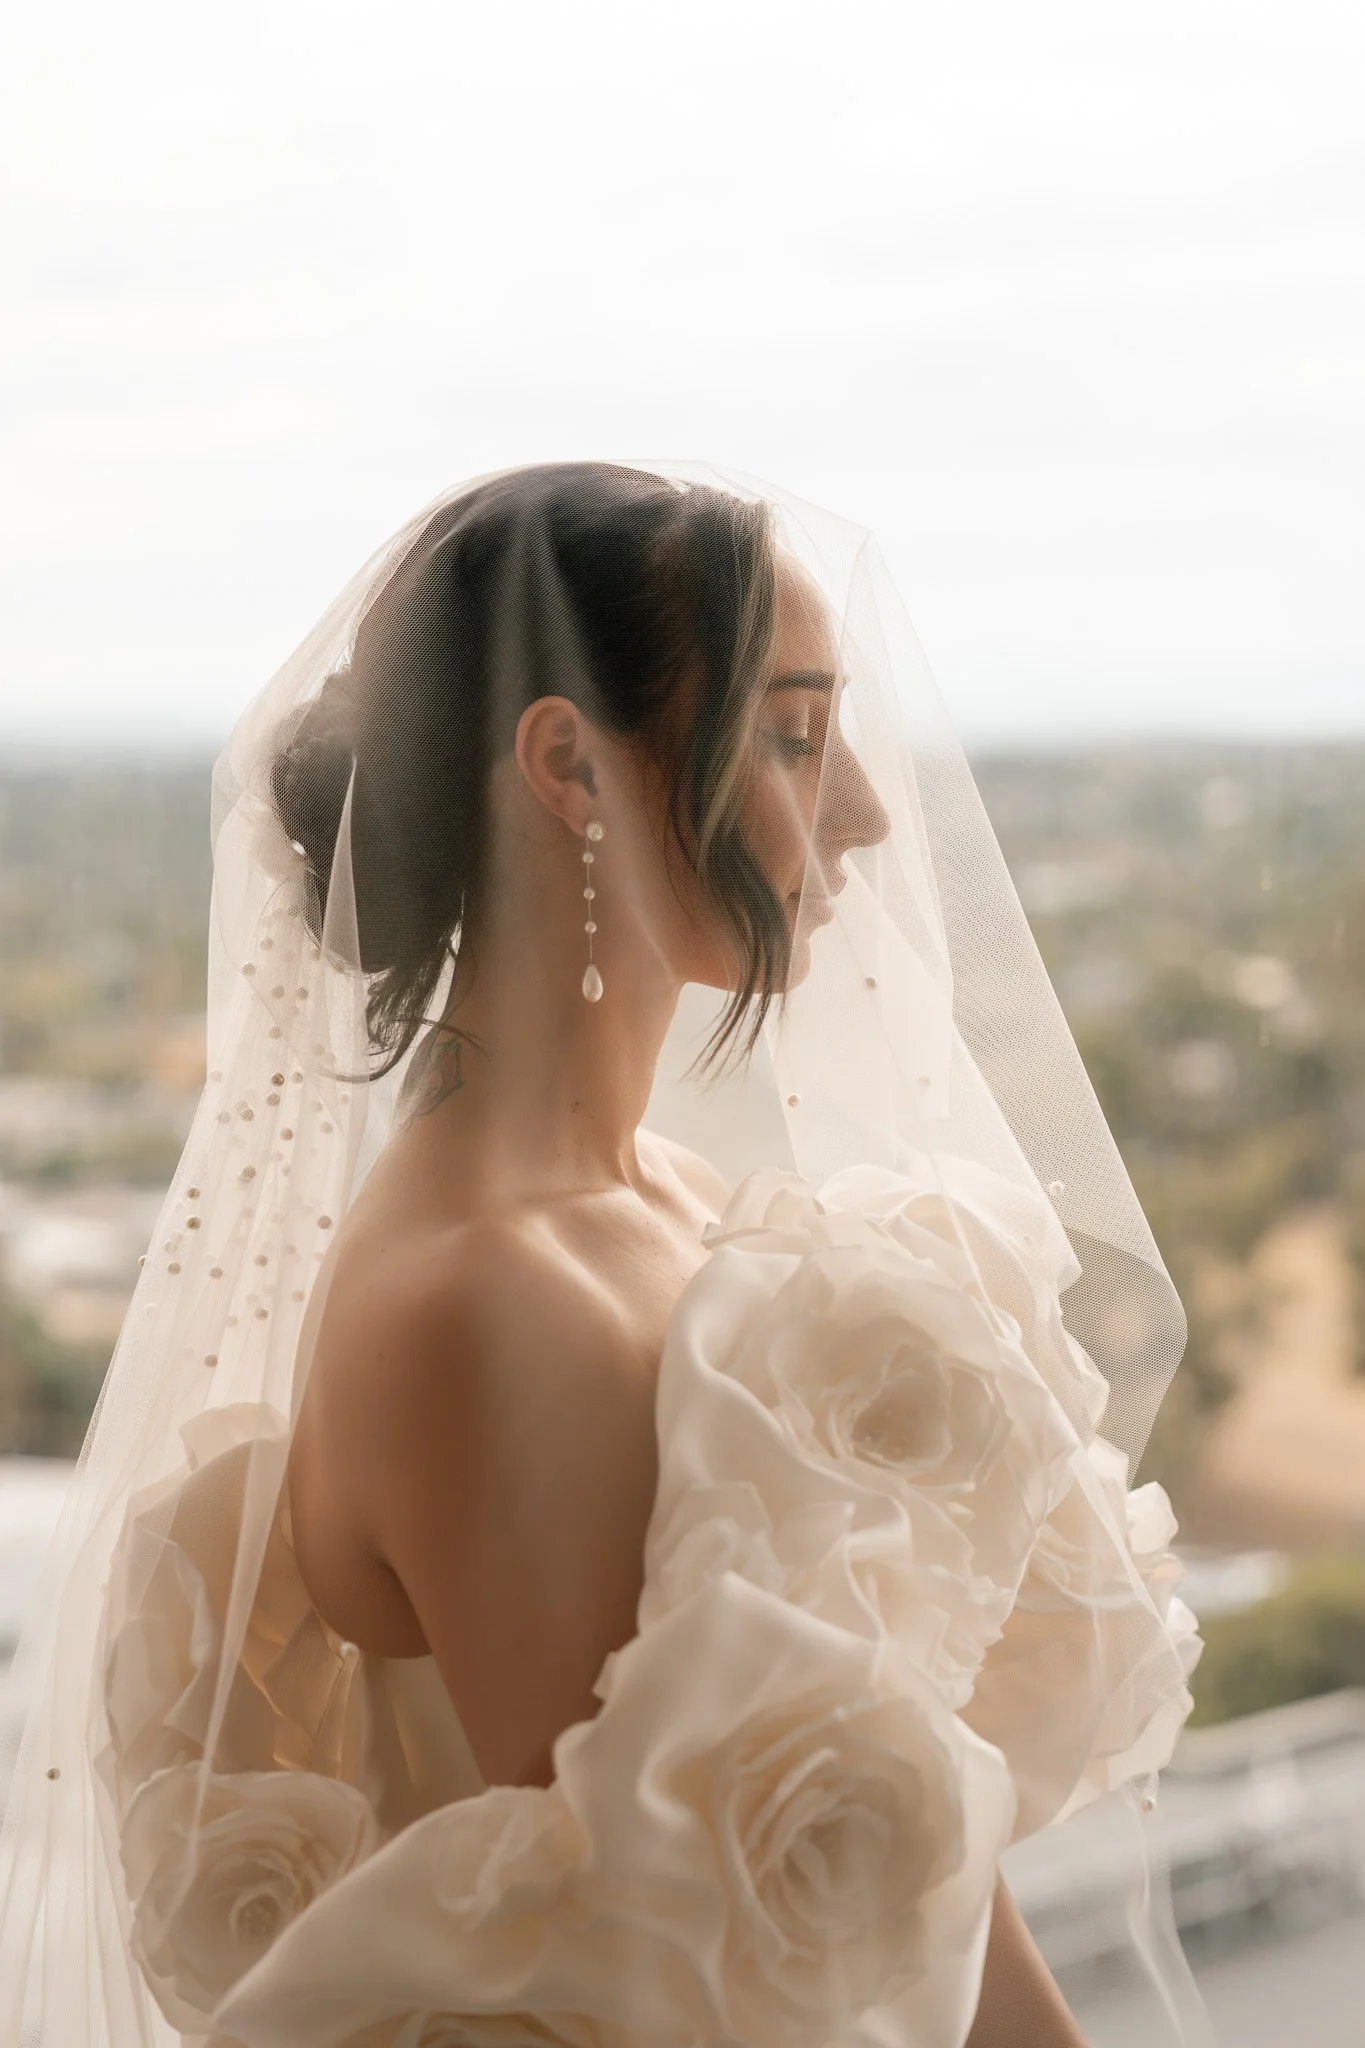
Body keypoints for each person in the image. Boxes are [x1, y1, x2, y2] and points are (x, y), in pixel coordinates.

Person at [0, 462, 1209, 2048]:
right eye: (791, 735)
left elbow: (881, 1874)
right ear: (569, 764)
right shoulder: (484, 1305)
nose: (858, 808)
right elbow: (692, 1982)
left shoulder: (670, 1203)